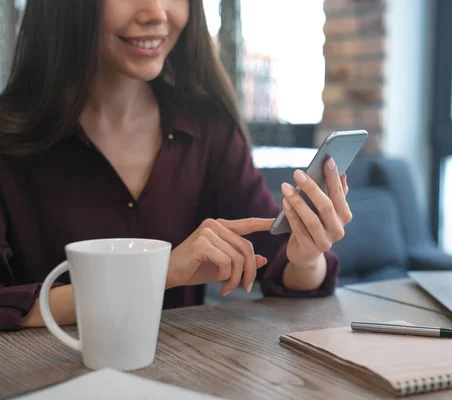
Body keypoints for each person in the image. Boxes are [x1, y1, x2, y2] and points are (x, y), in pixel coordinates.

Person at [0, 0, 353, 331]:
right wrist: (157, 274)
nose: (155, 12)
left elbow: (280, 265)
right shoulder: (8, 141)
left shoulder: (207, 127)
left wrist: (307, 257)